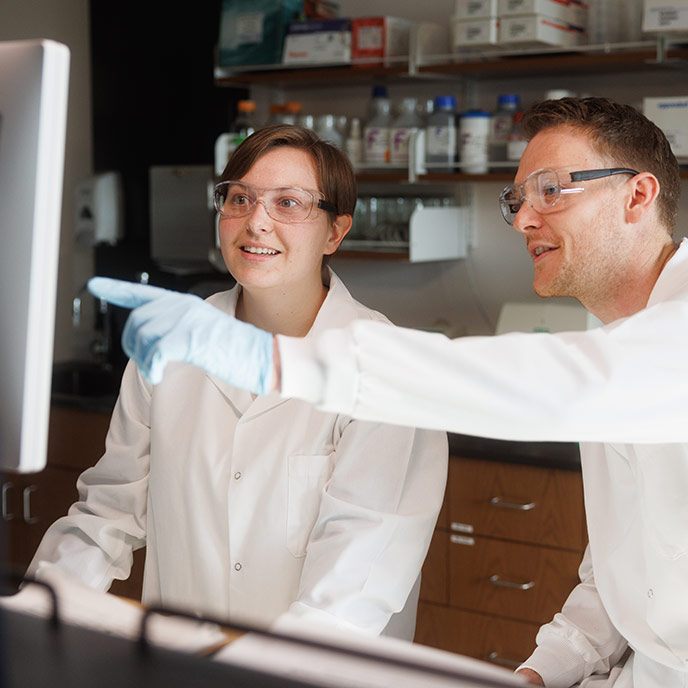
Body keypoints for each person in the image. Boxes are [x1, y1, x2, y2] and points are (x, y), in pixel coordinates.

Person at [90, 97, 688, 686]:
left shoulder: (668, 334)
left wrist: (271, 360)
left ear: (637, 195)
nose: (525, 219)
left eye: (551, 190)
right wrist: (542, 671)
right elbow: (623, 573)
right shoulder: (615, 349)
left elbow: (545, 385)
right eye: (519, 198)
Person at [29, 124, 449, 640]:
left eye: (289, 203)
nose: (256, 222)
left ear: (336, 232)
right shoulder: (173, 342)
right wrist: (33, 614)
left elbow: (353, 581)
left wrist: (254, 668)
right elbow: (108, 513)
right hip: (181, 665)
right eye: (239, 198)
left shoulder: (385, 368)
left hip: (314, 674)